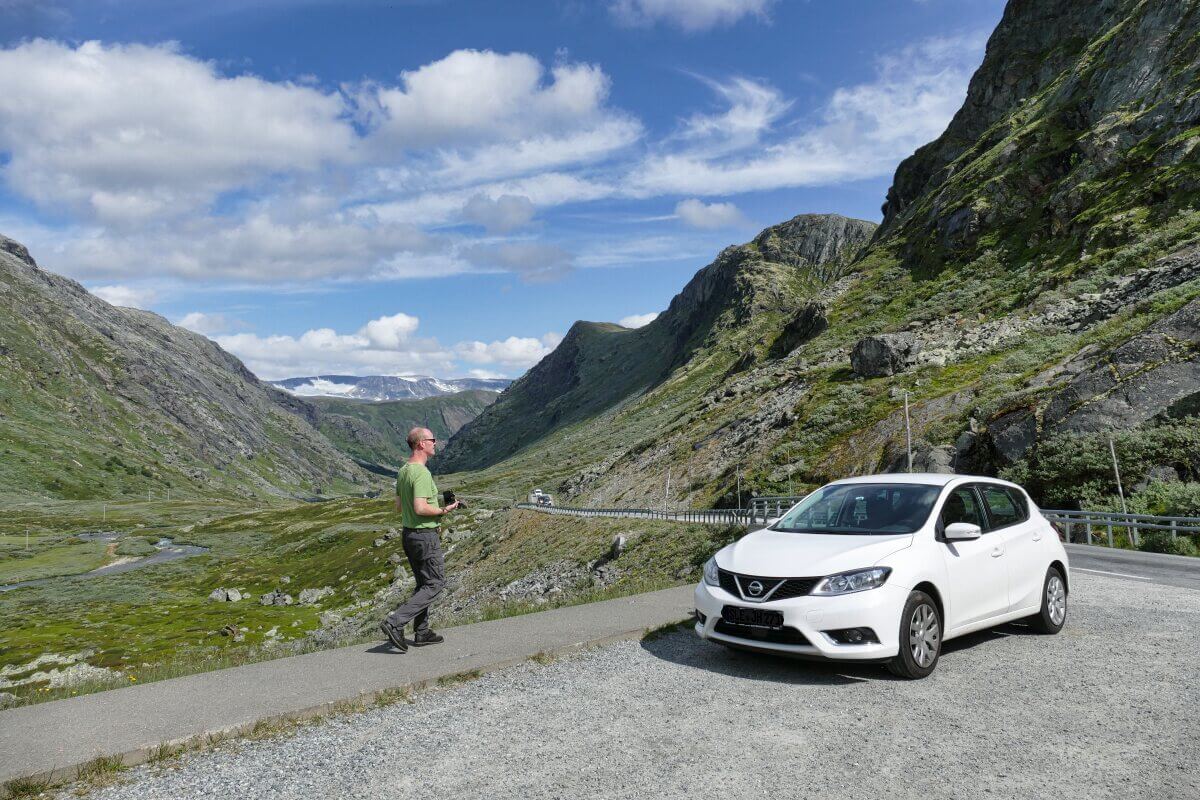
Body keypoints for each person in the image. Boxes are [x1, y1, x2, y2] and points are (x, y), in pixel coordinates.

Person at [380, 427, 461, 653]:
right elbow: (421, 507)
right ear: (420, 444)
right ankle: (395, 622)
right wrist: (445, 510)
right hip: (425, 536)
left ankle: (422, 632)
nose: (435, 443)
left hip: (409, 535)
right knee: (435, 584)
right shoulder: (422, 473)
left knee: (423, 584)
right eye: (432, 439)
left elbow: (399, 506)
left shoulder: (403, 471)